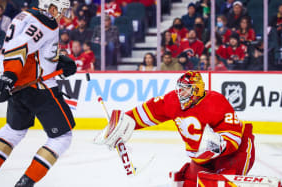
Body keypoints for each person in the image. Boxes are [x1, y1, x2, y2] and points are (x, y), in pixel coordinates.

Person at [94, 70, 255, 187]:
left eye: (185, 89)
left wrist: (218, 145)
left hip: (233, 154)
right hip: (202, 159)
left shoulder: (216, 102)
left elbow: (233, 138)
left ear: (197, 90)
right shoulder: (173, 100)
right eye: (179, 88)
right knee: (187, 183)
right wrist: (124, 123)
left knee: (220, 184)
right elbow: (149, 112)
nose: (180, 93)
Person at [0, 0, 77, 187]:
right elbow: (18, 50)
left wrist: (59, 61)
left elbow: (31, 50)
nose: (62, 14)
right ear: (50, 7)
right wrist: (8, 77)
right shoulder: (44, 22)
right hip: (39, 88)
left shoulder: (25, 15)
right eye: (60, 9)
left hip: (20, 87)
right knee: (61, 138)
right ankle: (24, 185)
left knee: (13, 131)